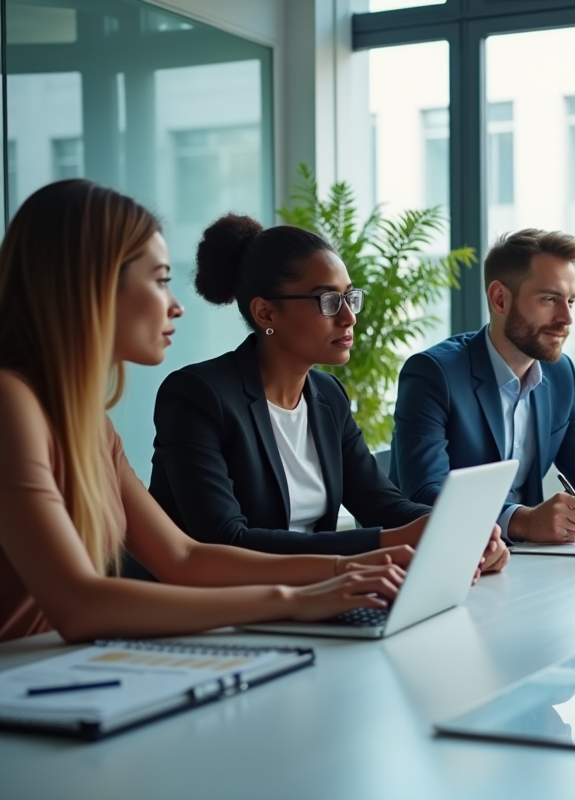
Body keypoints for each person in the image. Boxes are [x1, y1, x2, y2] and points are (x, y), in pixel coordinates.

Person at [0, 180, 412, 643]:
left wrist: (349, 569)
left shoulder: (91, 423)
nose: (175, 306)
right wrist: (296, 600)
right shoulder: (11, 402)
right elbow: (81, 605)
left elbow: (185, 557)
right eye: (159, 281)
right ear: (91, 286)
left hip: (62, 671)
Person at [145, 214, 507, 574]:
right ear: (266, 312)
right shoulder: (197, 396)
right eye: (328, 300)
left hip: (317, 596)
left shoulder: (328, 396)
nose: (349, 316)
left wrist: (463, 528)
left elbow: (383, 505)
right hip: (208, 610)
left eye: (349, 297)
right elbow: (226, 540)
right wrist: (383, 544)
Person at [390, 228, 575, 543]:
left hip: (525, 562)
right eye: (550, 299)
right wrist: (522, 521)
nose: (567, 318)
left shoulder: (559, 374)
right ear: (500, 299)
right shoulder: (434, 374)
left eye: (571, 301)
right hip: (447, 559)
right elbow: (424, 494)